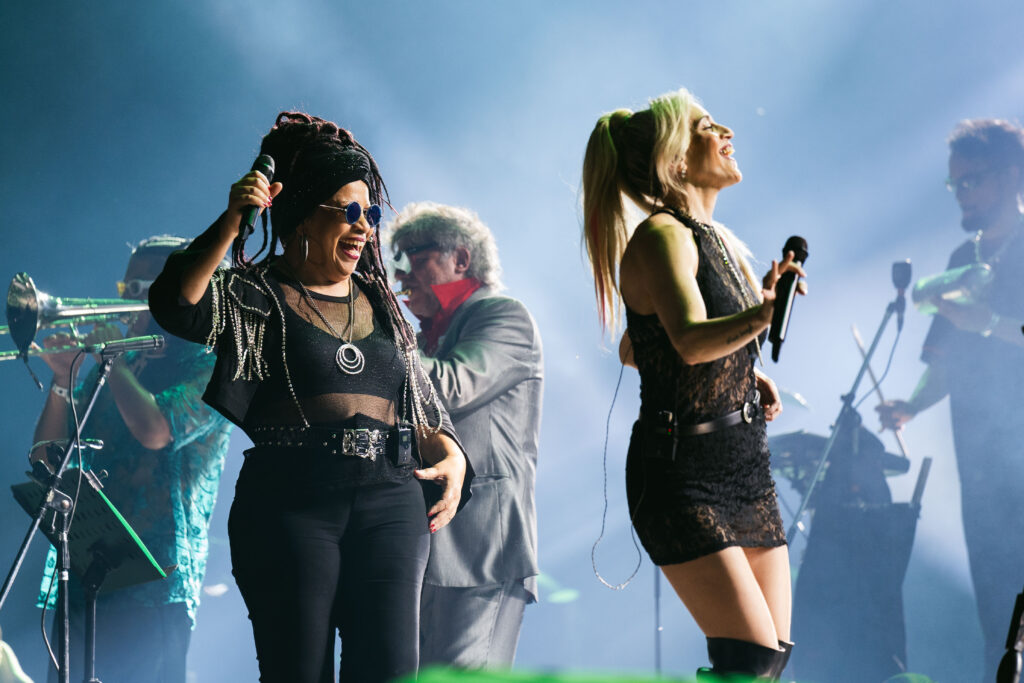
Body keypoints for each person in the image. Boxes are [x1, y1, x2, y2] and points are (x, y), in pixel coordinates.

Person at [148, 112, 471, 683]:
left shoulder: (381, 303)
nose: (364, 227)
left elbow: (419, 404)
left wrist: (452, 455)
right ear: (301, 212)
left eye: (371, 214)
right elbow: (176, 302)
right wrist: (233, 221)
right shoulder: (254, 293)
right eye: (348, 211)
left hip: (390, 501)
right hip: (290, 502)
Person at [581, 88, 805, 680]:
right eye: (708, 125)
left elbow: (640, 346)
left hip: (744, 465)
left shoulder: (717, 240)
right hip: (682, 472)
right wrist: (761, 315)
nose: (726, 130)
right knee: (748, 660)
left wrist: (745, 370)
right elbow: (685, 341)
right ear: (676, 159)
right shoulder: (663, 235)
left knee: (769, 661)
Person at [29, 235, 232, 683]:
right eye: (126, 288)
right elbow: (46, 459)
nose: (122, 301)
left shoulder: (210, 365)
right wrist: (63, 381)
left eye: (139, 289)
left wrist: (114, 365)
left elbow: (155, 431)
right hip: (84, 573)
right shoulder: (121, 365)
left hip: (155, 586)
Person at [877, 118, 1024, 682]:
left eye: (973, 181)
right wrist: (912, 406)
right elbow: (946, 361)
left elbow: (984, 328)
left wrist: (987, 322)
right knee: (996, 602)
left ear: (1011, 176)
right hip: (980, 461)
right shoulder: (964, 255)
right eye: (955, 184)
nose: (962, 194)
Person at [387, 202, 543, 669]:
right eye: (399, 262)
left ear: (461, 259)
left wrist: (379, 341)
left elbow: (451, 387)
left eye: (415, 257)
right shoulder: (425, 338)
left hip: (482, 547)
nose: (402, 275)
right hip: (428, 543)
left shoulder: (503, 315)